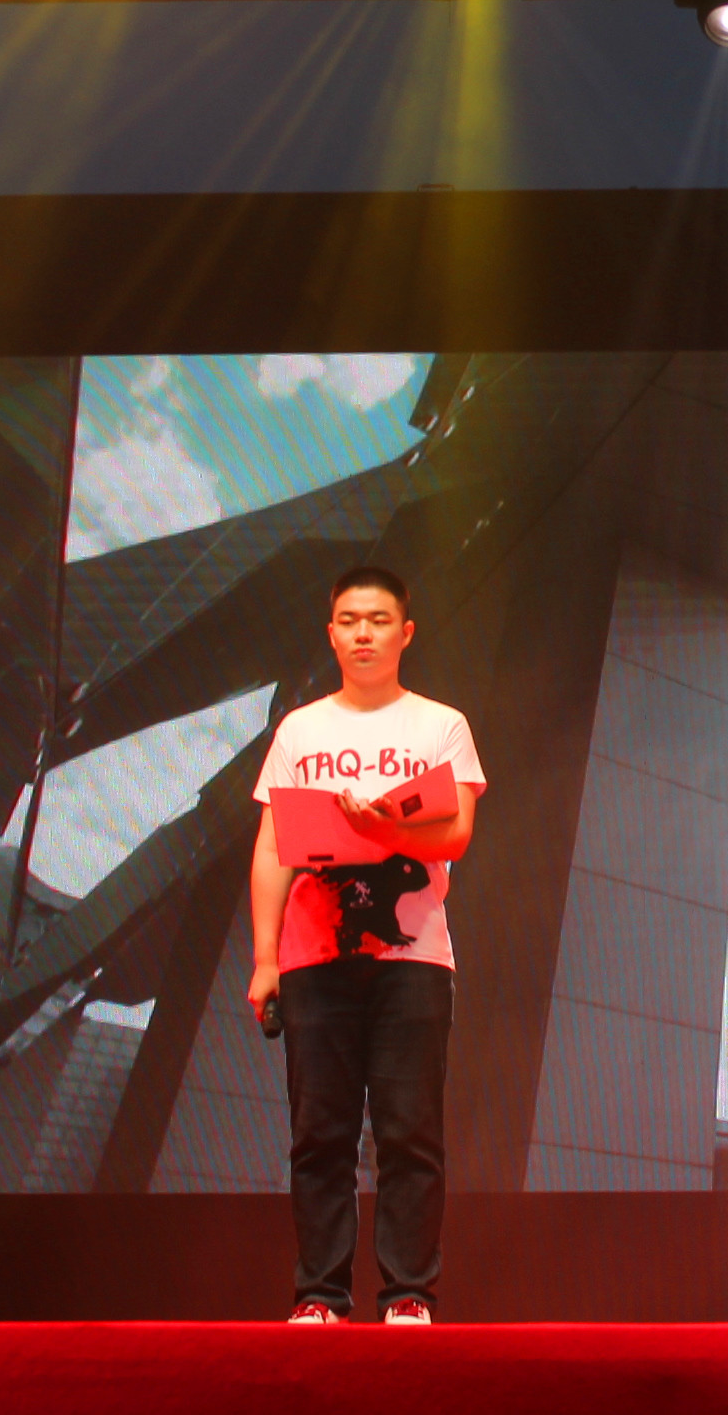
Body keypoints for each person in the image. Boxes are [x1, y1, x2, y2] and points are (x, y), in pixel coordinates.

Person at [248, 564, 486, 1325]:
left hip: (413, 958)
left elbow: (456, 833)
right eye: (349, 621)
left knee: (408, 1131)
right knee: (320, 1135)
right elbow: (272, 845)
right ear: (331, 633)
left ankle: (409, 1294)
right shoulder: (301, 729)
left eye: (378, 621)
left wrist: (385, 830)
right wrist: (264, 959)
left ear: (404, 632)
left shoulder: (440, 725)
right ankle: (319, 1296)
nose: (363, 634)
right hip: (312, 957)